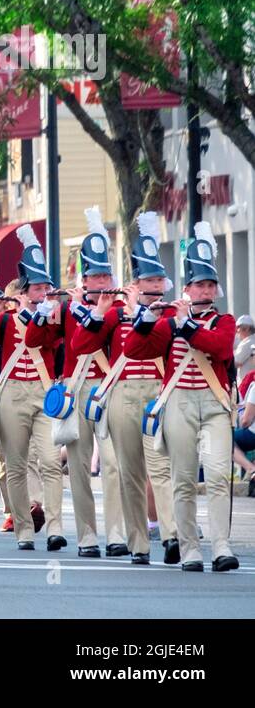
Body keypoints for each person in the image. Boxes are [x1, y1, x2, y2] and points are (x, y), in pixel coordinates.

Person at [125, 220, 238, 573]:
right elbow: (134, 348)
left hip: (214, 402)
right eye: (199, 285)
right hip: (179, 403)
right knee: (184, 478)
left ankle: (221, 545)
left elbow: (219, 349)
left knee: (219, 474)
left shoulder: (224, 321)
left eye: (209, 285)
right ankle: (189, 548)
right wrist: (146, 318)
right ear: (187, 288)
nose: (205, 291)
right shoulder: (171, 321)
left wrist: (187, 323)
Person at [70, 210, 179, 564]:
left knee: (160, 467)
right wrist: (99, 313)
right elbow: (81, 345)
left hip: (160, 393)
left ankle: (172, 533)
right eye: (147, 281)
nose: (153, 287)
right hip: (120, 393)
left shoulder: (170, 312)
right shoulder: (114, 313)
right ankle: (138, 543)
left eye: (157, 281)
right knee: (129, 471)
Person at [0, 225, 64, 552]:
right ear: (22, 294)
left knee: (49, 461)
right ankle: (22, 527)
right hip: (11, 395)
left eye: (44, 287)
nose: (41, 293)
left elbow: (56, 345)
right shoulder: (5, 321)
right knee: (16, 465)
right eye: (35, 288)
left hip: (43, 391)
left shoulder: (53, 317)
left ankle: (55, 526)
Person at [32, 206, 125, 556]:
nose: (102, 284)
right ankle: (87, 535)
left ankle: (116, 535)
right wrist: (45, 313)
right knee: (80, 466)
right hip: (78, 386)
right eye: (96, 278)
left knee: (115, 464)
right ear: (83, 279)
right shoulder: (68, 308)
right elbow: (35, 340)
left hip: (111, 387)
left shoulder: (120, 309)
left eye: (106, 277)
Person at [235, 314, 254, 383]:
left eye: (238, 327)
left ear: (247, 328)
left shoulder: (247, 342)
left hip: (246, 384)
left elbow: (236, 363)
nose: (237, 331)